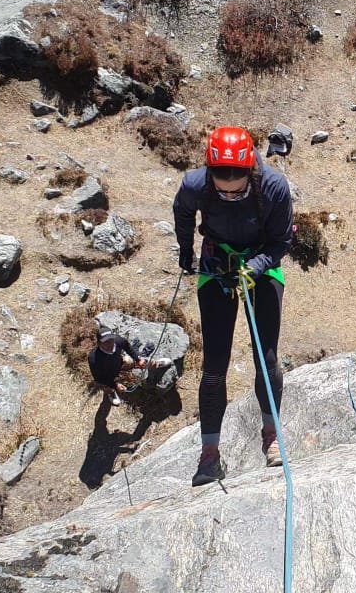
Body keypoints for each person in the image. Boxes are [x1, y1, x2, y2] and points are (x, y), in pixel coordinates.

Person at [173, 126, 294, 486]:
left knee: (266, 356)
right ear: (210, 173)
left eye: (236, 191)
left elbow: (282, 240)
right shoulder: (196, 185)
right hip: (217, 263)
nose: (228, 196)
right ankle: (209, 454)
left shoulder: (273, 187)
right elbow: (182, 212)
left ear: (250, 173)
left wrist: (256, 267)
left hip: (262, 262)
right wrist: (185, 251)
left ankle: (271, 436)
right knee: (214, 365)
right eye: (221, 192)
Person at [88, 332, 176, 405]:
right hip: (108, 373)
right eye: (106, 342)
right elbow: (99, 378)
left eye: (111, 340)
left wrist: (138, 359)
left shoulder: (117, 340)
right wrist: (115, 385)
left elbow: (127, 347)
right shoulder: (94, 359)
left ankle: (156, 364)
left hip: (120, 363)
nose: (110, 343)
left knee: (142, 361)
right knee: (105, 385)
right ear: (99, 343)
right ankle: (111, 392)